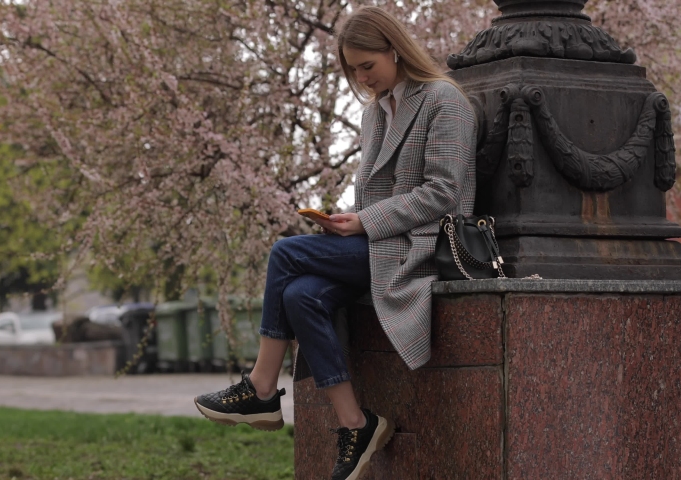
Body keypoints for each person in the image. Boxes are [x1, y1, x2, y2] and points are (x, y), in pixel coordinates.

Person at [193, 5, 476, 480]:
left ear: (395, 50)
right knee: (299, 294)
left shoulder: (443, 101)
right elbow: (375, 192)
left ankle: (261, 387)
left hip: (420, 248)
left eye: (369, 65)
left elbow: (443, 193)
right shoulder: (374, 115)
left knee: (286, 253)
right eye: (353, 69)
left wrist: (363, 221)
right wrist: (345, 219)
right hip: (379, 243)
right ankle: (355, 424)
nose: (362, 77)